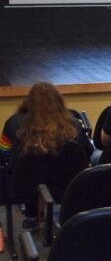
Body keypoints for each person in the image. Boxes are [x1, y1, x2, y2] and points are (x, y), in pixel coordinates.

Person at [0, 82, 92, 223]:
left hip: (24, 189)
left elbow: (3, 153)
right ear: (59, 101)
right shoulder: (75, 124)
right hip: (69, 187)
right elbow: (87, 152)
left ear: (28, 101)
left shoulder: (13, 123)